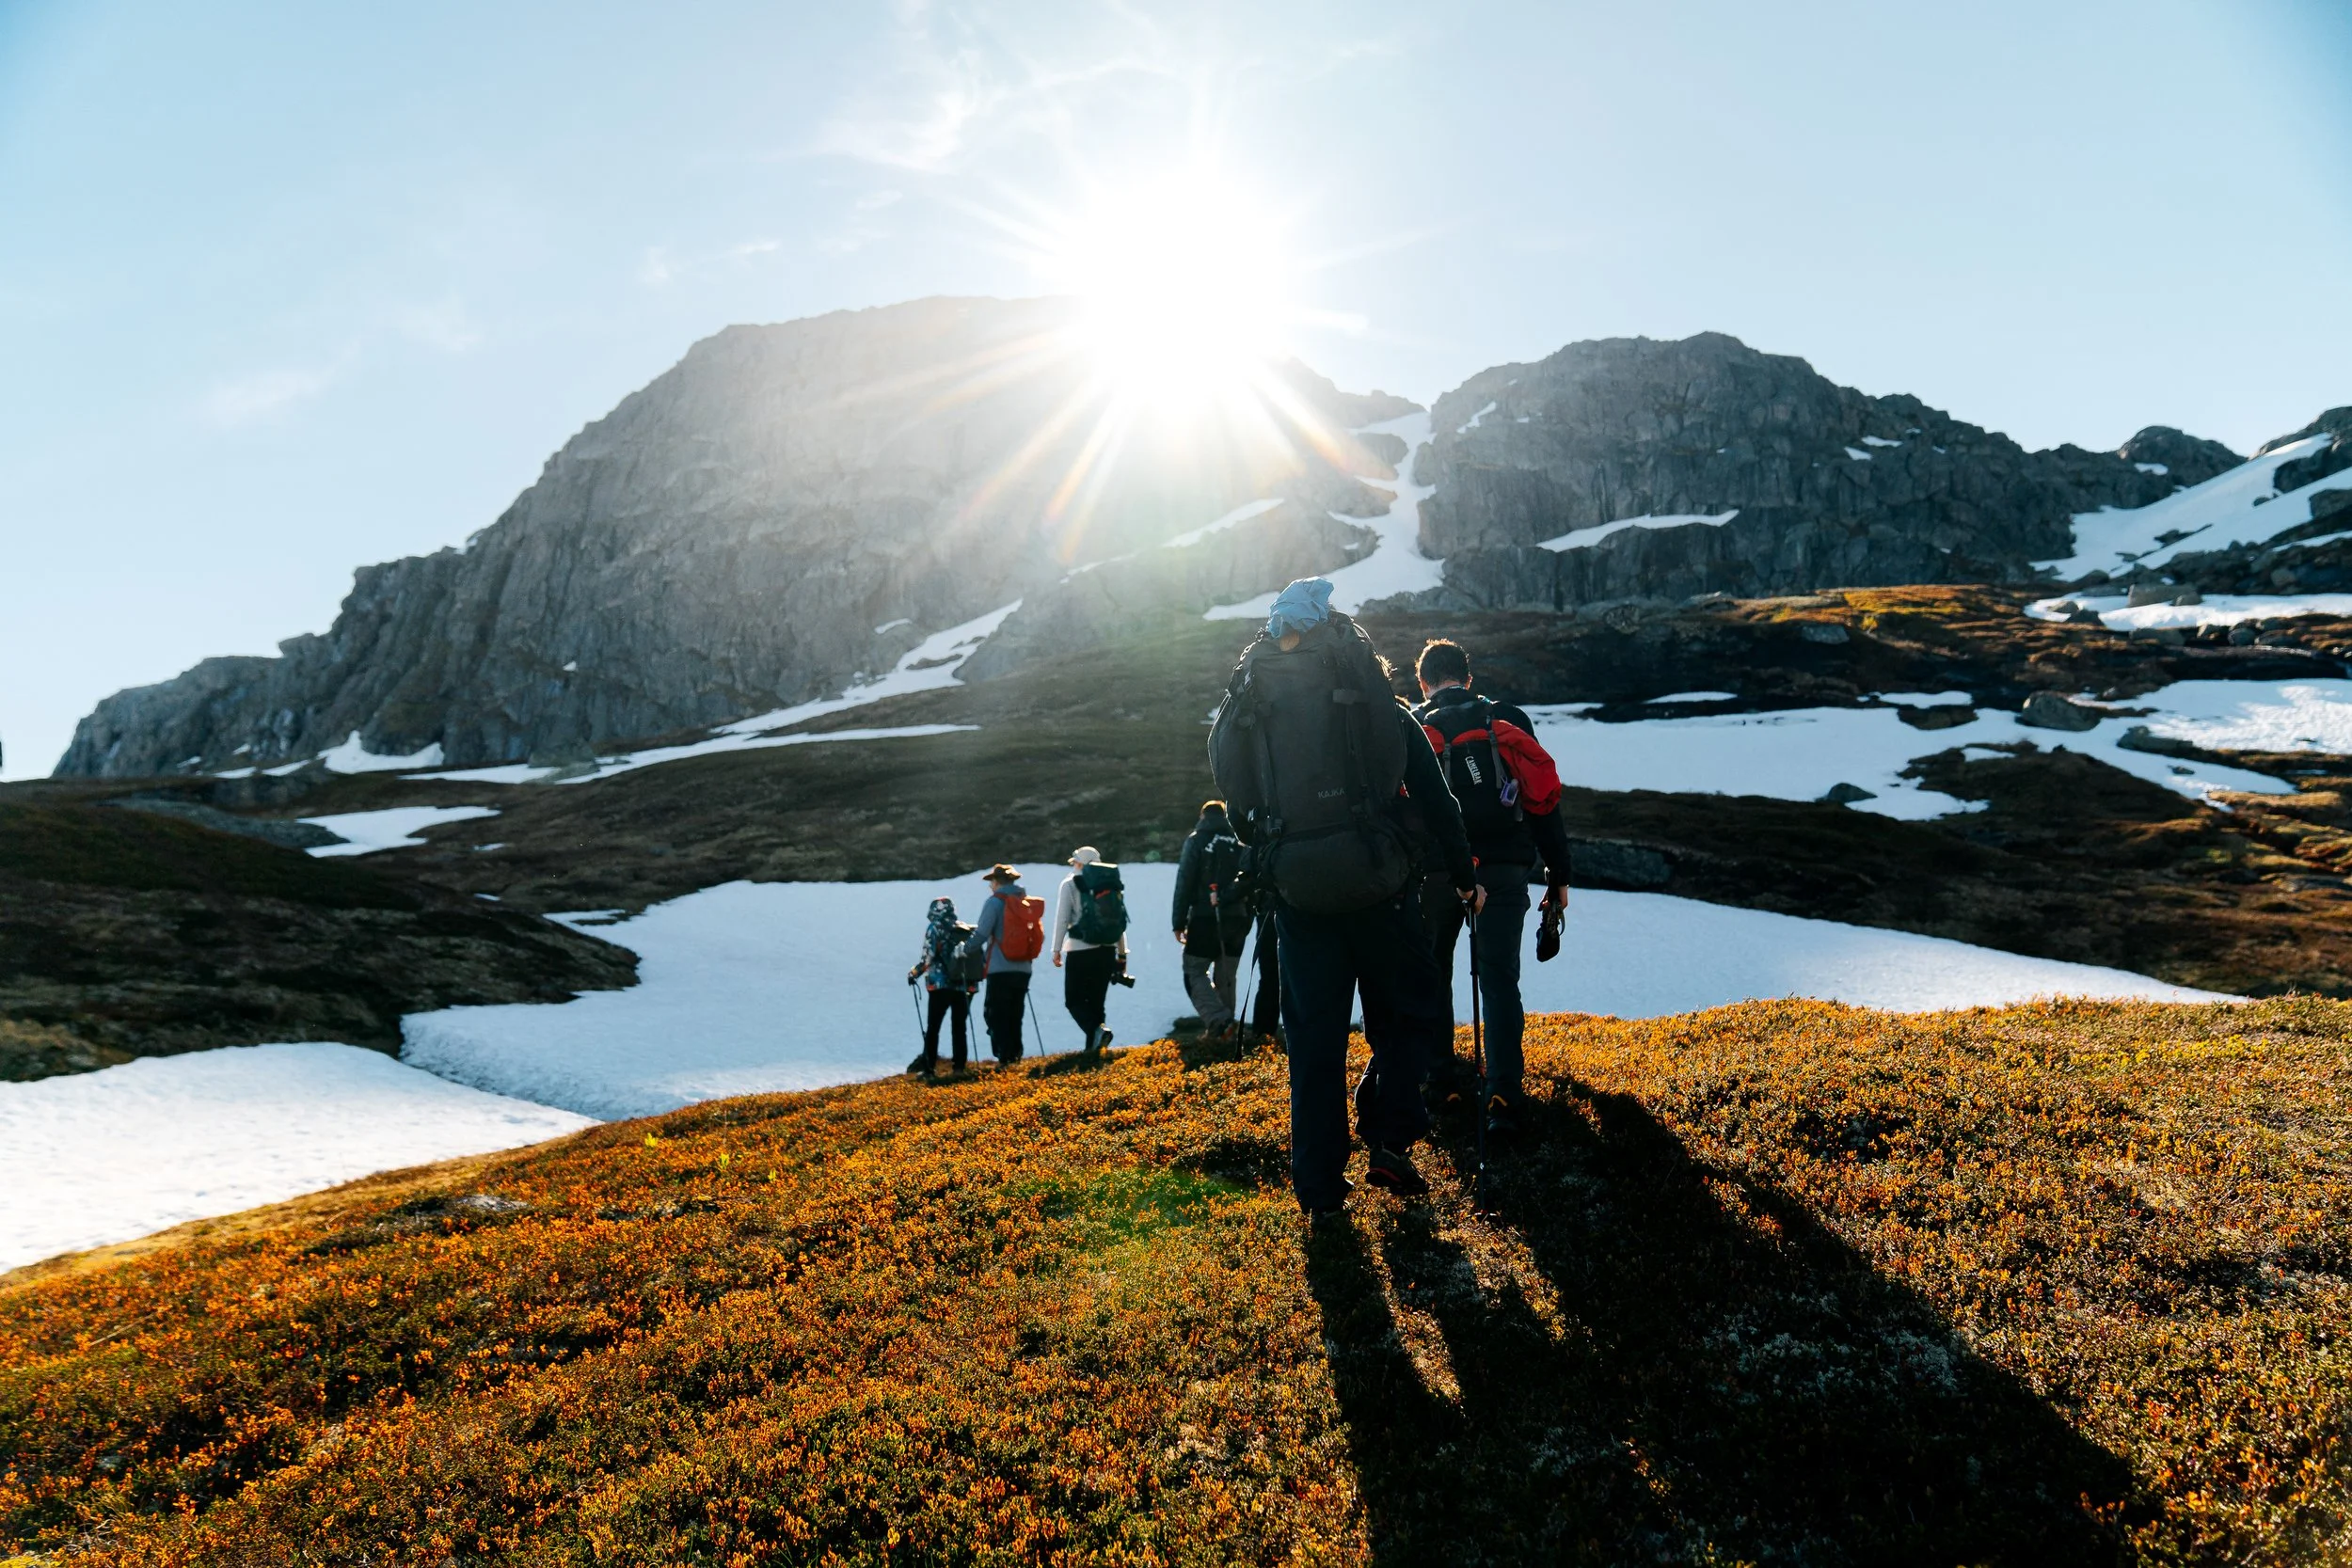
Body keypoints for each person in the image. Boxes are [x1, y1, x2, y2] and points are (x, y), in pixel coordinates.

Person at [1209, 577, 1481, 1223]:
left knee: (1315, 1041)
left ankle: (1321, 1194)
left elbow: (1228, 779)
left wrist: (1274, 845)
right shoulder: (1370, 693)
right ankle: (1389, 1139)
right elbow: (1437, 797)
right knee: (1405, 1015)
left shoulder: (1257, 692)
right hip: (1382, 886)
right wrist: (1463, 874)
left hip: (1299, 893)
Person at [1411, 638, 1573, 1139]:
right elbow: (1543, 802)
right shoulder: (1507, 719)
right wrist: (1558, 875)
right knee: (1499, 979)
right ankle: (1504, 1093)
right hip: (1505, 869)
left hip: (1436, 874)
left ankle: (1443, 1083)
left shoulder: (1414, 724)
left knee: (1433, 972)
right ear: (1468, 677)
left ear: (1423, 682)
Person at [1171, 800, 1250, 1041]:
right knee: (1226, 974)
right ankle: (1225, 1031)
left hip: (1205, 918)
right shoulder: (1240, 842)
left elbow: (1185, 881)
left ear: (1202, 816)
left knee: (1193, 970)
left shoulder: (1197, 840)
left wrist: (1178, 921)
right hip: (1238, 918)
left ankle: (1219, 1021)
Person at [1051, 846, 1129, 1053]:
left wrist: (1056, 949)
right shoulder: (1110, 885)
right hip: (1107, 950)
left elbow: (1062, 919)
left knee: (1074, 999)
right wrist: (1122, 954)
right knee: (1097, 1002)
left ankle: (1096, 1033)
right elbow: (1119, 922)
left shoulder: (1069, 884)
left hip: (1079, 949)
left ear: (1079, 863)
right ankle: (1093, 1050)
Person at [963, 864, 1039, 1064]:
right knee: (1015, 1012)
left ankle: (1005, 1056)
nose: (990, 886)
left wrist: (965, 949)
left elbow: (982, 934)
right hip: (1024, 967)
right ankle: (1015, 1053)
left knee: (995, 1013)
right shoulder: (1024, 902)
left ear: (996, 882)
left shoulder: (994, 902)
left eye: (991, 883)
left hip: (999, 967)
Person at [905, 895, 976, 1074]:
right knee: (959, 1027)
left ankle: (929, 1068)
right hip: (961, 984)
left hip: (939, 985)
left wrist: (914, 973)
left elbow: (927, 957)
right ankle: (959, 1067)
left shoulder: (935, 928)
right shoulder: (962, 929)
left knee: (933, 1027)